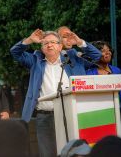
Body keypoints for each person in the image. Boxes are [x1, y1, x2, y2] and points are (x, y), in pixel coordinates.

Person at [10, 29, 101, 157]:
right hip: (45, 117)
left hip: (71, 115)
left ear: (60, 46)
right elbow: (15, 52)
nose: (49, 45)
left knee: (73, 152)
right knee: (47, 153)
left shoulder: (73, 59)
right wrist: (29, 40)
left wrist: (80, 42)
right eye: (45, 43)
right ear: (42, 48)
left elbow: (97, 56)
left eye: (53, 42)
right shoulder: (35, 61)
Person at [86, 40, 121, 114]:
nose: (108, 52)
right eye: (103, 51)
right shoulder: (89, 73)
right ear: (95, 54)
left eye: (109, 50)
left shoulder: (117, 71)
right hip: (100, 113)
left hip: (118, 112)